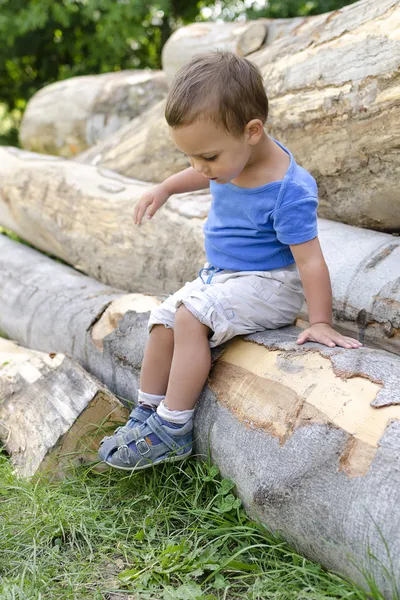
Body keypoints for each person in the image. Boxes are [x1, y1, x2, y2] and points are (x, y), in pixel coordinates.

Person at [98, 51, 362, 471]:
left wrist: (320, 322)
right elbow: (198, 173)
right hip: (223, 277)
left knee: (188, 317)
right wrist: (166, 188)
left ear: (252, 131)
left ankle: (173, 427)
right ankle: (146, 412)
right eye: (190, 158)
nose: (199, 168)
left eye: (207, 158)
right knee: (164, 321)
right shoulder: (229, 159)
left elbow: (310, 262)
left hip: (271, 284)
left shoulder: (287, 190)